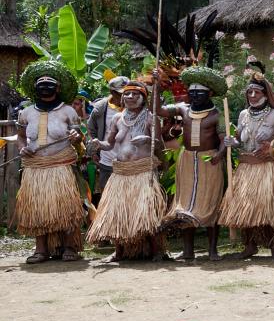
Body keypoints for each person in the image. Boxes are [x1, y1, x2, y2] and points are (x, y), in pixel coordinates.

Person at [86, 81, 168, 261]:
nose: (130, 97)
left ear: (143, 98)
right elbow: (110, 144)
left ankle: (157, 251)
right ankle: (119, 251)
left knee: (147, 212)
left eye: (135, 94)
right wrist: (99, 144)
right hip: (121, 172)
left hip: (143, 172)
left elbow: (160, 145)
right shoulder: (118, 118)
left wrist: (148, 139)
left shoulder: (150, 118)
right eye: (127, 94)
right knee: (118, 213)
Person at [15, 60, 84, 263]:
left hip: (61, 165)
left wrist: (76, 136)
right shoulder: (26, 113)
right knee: (38, 209)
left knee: (66, 208)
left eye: (49, 83)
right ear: (35, 88)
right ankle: (41, 250)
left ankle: (70, 247)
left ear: (58, 88)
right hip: (35, 168)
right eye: (41, 84)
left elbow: (79, 135)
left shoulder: (68, 111)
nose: (45, 87)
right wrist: (22, 148)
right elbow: (20, 136)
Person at [157, 65, 227, 261]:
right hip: (187, 160)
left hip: (209, 160)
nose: (194, 95)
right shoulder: (182, 109)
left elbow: (223, 139)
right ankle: (188, 251)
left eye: (200, 93)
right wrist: (158, 89)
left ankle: (213, 250)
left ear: (210, 93)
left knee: (211, 202)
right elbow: (159, 110)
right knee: (185, 204)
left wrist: (220, 154)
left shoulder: (216, 114)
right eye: (192, 92)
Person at [219, 69, 274, 259]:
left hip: (266, 167)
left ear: (265, 95)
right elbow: (240, 139)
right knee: (244, 207)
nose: (252, 96)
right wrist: (232, 142)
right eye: (249, 92)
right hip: (246, 167)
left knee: (269, 206)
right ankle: (249, 246)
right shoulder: (243, 115)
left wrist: (272, 138)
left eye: (256, 92)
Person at [87, 76, 128, 204]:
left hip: (129, 161)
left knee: (126, 198)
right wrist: (95, 150)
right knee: (107, 197)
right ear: (112, 92)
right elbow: (91, 129)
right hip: (107, 160)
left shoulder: (135, 105)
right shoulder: (100, 108)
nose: (125, 97)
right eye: (121, 93)